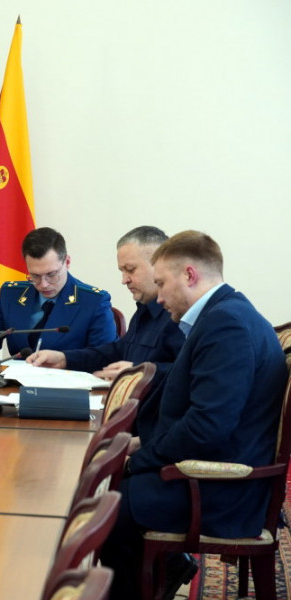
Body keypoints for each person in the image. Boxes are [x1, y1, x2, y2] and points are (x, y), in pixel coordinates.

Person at [99, 231, 287, 600]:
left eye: (161, 284)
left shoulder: (226, 324)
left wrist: (140, 459)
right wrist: (141, 445)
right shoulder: (226, 313)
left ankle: (146, 582)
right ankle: (157, 574)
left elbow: (207, 428)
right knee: (107, 486)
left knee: (103, 508)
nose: (160, 297)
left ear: (189, 275)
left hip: (220, 488)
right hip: (207, 473)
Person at [26, 226, 184, 381]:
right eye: (122, 271)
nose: (124, 280)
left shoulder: (179, 315)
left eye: (130, 269)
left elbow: (186, 374)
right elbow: (115, 352)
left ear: (158, 265)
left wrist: (141, 372)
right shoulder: (144, 310)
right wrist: (64, 359)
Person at [0, 227, 117, 356]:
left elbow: (104, 357)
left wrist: (64, 360)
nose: (43, 284)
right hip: (14, 385)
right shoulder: (11, 296)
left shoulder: (93, 302)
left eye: (51, 275)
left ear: (67, 262)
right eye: (35, 276)